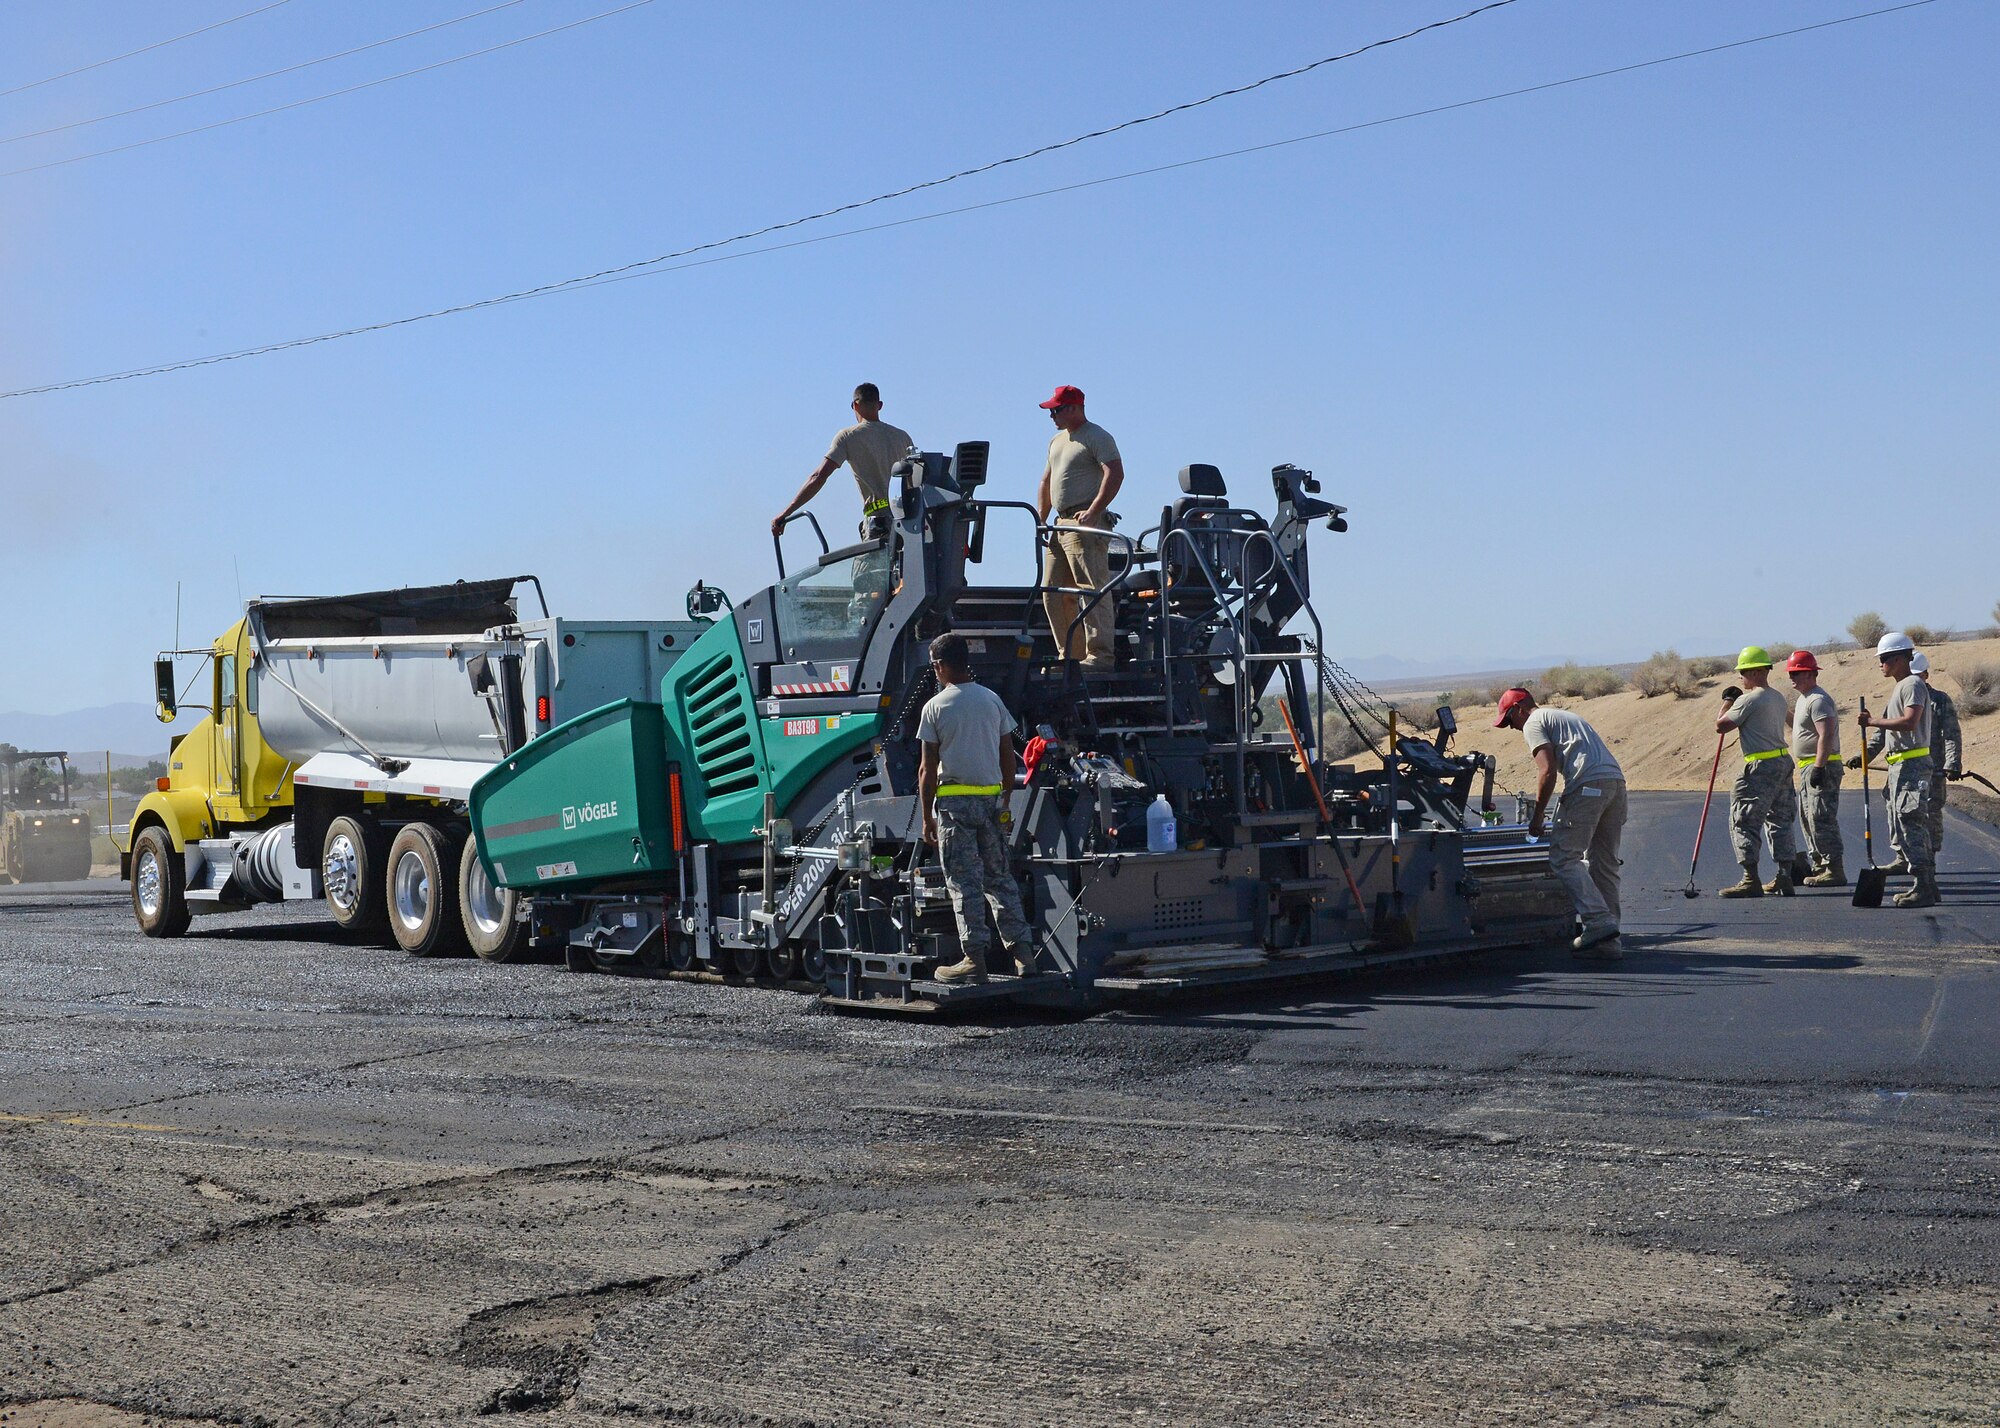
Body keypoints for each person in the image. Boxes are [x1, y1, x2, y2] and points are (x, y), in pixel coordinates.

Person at [917, 632, 1037, 983]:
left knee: (964, 884)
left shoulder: (935, 707)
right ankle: (1024, 957)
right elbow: (1007, 757)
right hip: (990, 802)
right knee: (1000, 880)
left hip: (955, 807)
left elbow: (926, 770)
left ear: (939, 666)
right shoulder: (991, 700)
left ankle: (974, 961)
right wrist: (1004, 801)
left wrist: (926, 818)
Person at [1495, 687, 1627, 958]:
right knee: (1604, 863)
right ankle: (1609, 942)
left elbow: (1546, 771)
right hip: (1616, 784)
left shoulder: (1533, 721)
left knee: (1564, 857)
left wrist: (1538, 816)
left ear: (1520, 708)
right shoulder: (1563, 716)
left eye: (1510, 720)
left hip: (1587, 786)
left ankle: (1598, 921)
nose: (1511, 728)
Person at [1035, 384, 1124, 670]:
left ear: (1074, 408)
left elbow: (1115, 472)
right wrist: (1041, 520)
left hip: (1084, 523)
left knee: (1091, 589)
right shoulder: (1056, 441)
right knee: (1051, 591)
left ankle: (1099, 656)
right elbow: (1046, 482)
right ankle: (1070, 656)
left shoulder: (1097, 436)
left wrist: (1094, 510)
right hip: (1060, 525)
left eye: (1056, 410)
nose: (1052, 416)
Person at [1855, 631, 1937, 908]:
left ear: (1901, 658)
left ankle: (1923, 887)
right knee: (1906, 825)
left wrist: (1874, 721)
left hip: (1911, 765)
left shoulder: (1912, 684)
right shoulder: (1902, 686)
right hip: (1901, 765)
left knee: (1911, 825)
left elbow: (1910, 722)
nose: (1881, 663)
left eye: (1886, 658)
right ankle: (1928, 887)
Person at [772, 383, 914, 539]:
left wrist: (786, 513)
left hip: (878, 524)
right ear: (880, 405)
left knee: (872, 563)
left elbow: (819, 476)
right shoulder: (903, 437)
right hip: (908, 521)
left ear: (855, 405)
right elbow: (915, 481)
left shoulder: (848, 436)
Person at [1715, 646, 1800, 897]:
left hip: (1759, 766)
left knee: (1743, 820)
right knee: (1780, 819)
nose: (1740, 677)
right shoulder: (1777, 697)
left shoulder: (1748, 699)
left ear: (1753, 671)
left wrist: (1728, 701)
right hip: (1782, 762)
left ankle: (1750, 879)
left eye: (1742, 671)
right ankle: (1784, 876)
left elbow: (1722, 726)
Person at [1784, 649, 1845, 887]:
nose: (1793, 678)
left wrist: (1820, 766)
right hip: (1807, 766)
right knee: (1808, 817)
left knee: (1821, 817)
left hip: (1822, 766)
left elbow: (1826, 733)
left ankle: (1834, 869)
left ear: (1811, 674)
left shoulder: (1818, 700)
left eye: (1797, 673)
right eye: (1791, 673)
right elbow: (1801, 728)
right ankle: (1820, 865)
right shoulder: (1804, 699)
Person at [1911, 652, 1963, 857]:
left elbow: (1951, 734)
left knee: (1931, 810)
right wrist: (1865, 756)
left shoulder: (1939, 700)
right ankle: (1907, 855)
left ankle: (1930, 854)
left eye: (1918, 675)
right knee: (1906, 813)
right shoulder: (1902, 698)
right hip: (1907, 768)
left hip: (1934, 768)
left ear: (1926, 675)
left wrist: (1953, 763)